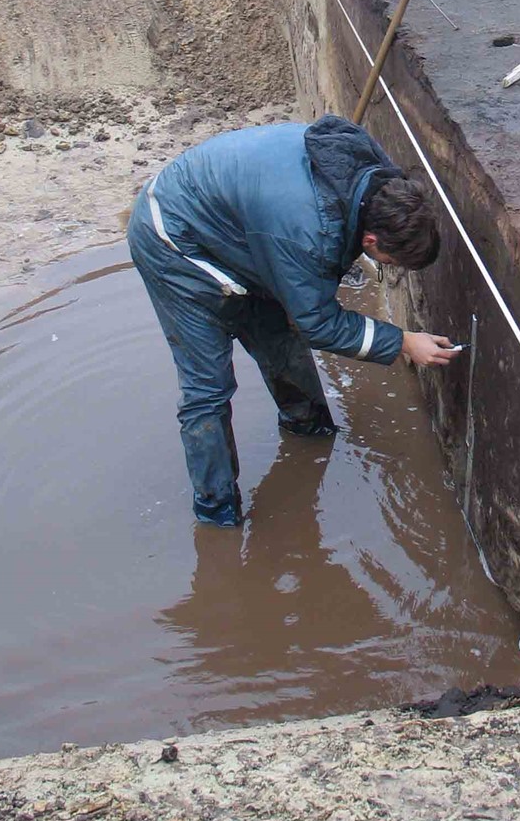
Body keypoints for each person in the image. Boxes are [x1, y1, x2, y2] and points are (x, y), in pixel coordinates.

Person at [127, 114, 456, 526]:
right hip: (172, 239)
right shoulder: (307, 234)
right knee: (208, 387)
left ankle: (309, 431)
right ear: (371, 241)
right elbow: (318, 323)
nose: (394, 268)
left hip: (241, 229)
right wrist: (403, 341)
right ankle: (217, 514)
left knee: (280, 338)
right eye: (393, 262)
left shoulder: (378, 179)